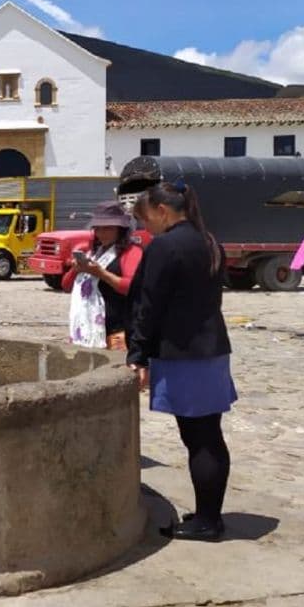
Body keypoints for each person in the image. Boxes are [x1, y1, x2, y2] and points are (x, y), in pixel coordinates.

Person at [128, 180, 237, 542]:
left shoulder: (166, 246)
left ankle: (208, 521)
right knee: (210, 435)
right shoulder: (209, 241)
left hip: (184, 352)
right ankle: (209, 512)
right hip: (212, 350)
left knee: (199, 439)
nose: (147, 228)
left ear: (162, 211)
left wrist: (138, 354)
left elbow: (149, 304)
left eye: (147, 220)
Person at [64, 202, 143, 351]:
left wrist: (101, 273)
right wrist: (76, 269)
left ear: (120, 229)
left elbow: (132, 288)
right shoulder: (94, 254)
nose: (102, 233)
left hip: (117, 333)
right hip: (88, 329)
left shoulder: (131, 252)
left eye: (108, 228)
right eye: (98, 228)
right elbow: (66, 285)